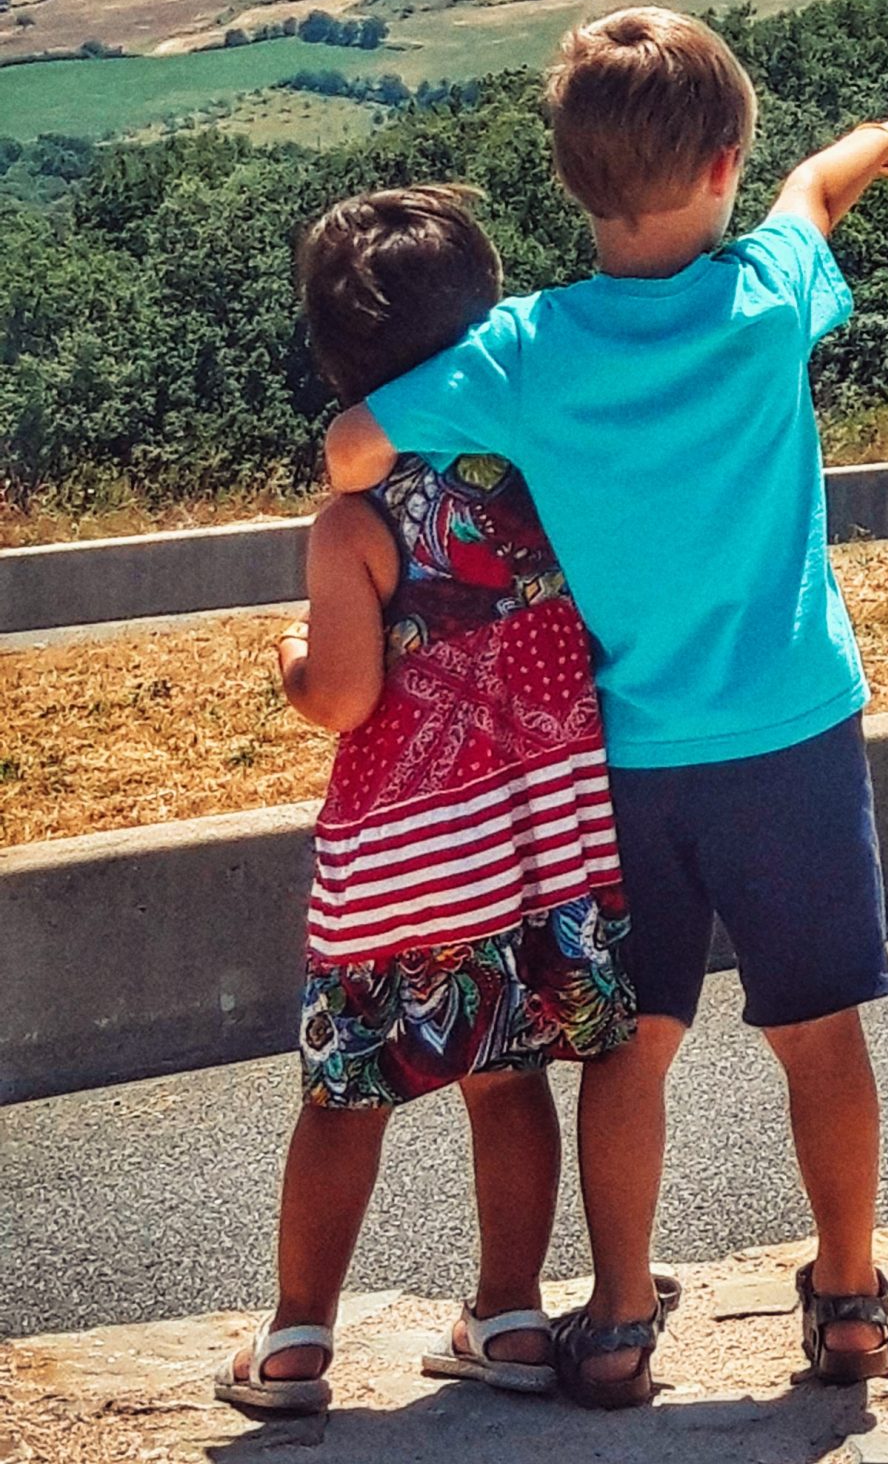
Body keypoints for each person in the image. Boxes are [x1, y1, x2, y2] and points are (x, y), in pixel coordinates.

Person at [321, 9, 888, 1409]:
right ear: (725, 162)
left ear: (569, 182)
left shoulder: (530, 352)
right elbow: (814, 196)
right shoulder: (775, 293)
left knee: (629, 1041)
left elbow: (355, 446)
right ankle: (847, 1299)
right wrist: (887, 139)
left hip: (630, 755)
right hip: (791, 727)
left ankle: (612, 1318)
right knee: (820, 1028)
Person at [219, 186, 637, 1421]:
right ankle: (509, 1315)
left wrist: (293, 666)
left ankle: (296, 1341)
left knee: (343, 1093)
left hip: (404, 865)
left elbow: (347, 697)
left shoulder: (353, 518)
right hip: (534, 848)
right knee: (509, 1078)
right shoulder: (536, 476)